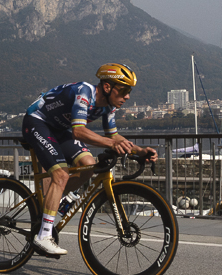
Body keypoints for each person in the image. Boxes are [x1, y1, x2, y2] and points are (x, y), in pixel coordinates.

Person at [21, 63, 156, 257]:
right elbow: (79, 131)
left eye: (129, 91)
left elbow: (114, 136)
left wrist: (140, 151)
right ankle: (43, 235)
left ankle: (53, 201)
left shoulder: (109, 106)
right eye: (124, 90)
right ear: (107, 87)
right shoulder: (84, 92)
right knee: (61, 174)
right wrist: (110, 144)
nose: (127, 96)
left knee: (90, 165)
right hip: (37, 121)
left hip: (58, 129)